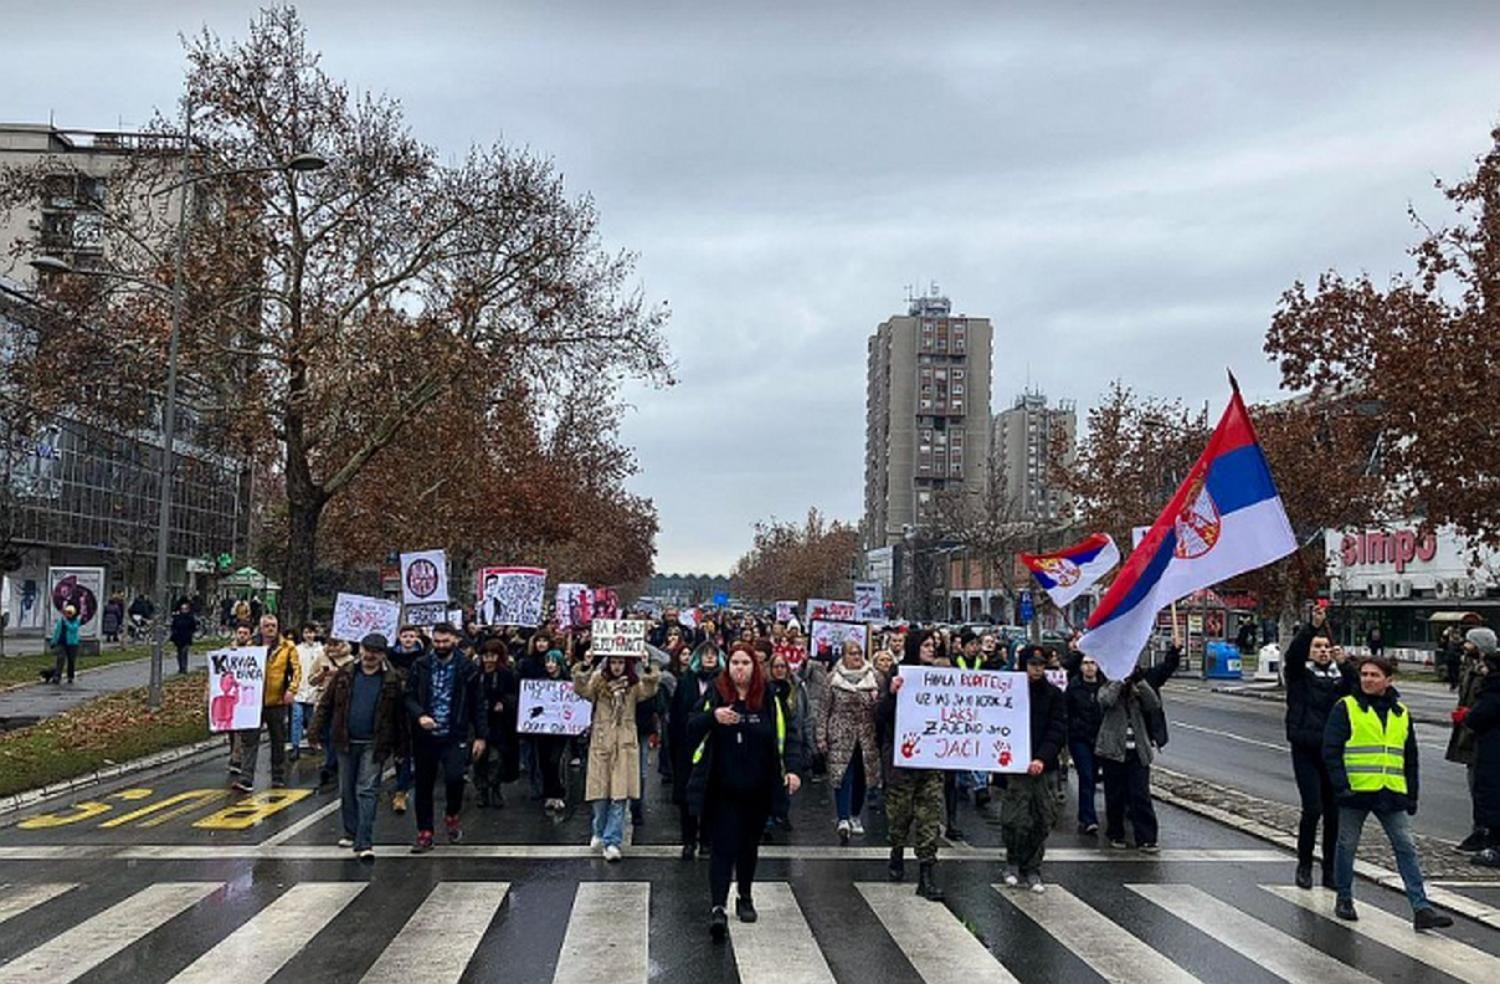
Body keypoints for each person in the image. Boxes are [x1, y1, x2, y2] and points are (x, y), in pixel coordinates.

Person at [1323, 654, 1453, 929]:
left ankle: (1421, 908)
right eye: (1365, 674)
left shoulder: (1401, 713)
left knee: (1406, 846)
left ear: (1388, 680)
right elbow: (1331, 751)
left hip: (1390, 792)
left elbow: (1410, 757)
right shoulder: (1346, 707)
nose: (1368, 679)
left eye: (1374, 675)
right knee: (1347, 845)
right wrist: (1341, 786)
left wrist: (1412, 794)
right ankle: (1344, 897)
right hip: (1355, 791)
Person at [686, 642, 803, 941]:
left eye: (746, 663)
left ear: (755, 667)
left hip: (758, 787)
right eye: (735, 662)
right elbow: (690, 726)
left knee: (748, 847)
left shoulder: (768, 698)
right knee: (722, 848)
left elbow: (788, 736)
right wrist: (714, 718)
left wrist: (792, 770)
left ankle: (745, 895)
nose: (740, 668)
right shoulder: (716, 693)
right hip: (721, 787)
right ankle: (717, 906)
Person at [313, 632, 405, 860]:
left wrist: (402, 748)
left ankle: (364, 840)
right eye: (367, 650)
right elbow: (327, 702)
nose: (370, 656)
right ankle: (351, 831)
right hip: (345, 739)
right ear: (360, 649)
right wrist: (315, 730)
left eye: (375, 652)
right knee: (347, 789)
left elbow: (399, 717)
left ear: (383, 655)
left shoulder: (392, 679)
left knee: (367, 789)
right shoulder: (346, 674)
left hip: (374, 743)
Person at [1284, 604, 1357, 888]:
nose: (1323, 651)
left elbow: (1357, 693)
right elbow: (1294, 655)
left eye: (1327, 646)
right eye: (1318, 646)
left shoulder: (1340, 679)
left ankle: (1330, 870)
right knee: (1312, 808)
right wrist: (1311, 627)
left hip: (1332, 752)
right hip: (1305, 748)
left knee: (1334, 813)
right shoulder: (1300, 675)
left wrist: (1347, 665)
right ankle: (1304, 864)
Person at [404, 623, 487, 852]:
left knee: (454, 778)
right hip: (426, 735)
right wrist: (420, 715)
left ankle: (452, 813)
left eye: (445, 641)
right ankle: (425, 831)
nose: (441, 646)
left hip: (455, 732)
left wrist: (481, 735)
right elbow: (409, 696)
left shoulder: (467, 668)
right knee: (423, 784)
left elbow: (477, 703)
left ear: (455, 640)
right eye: (437, 642)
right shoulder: (420, 665)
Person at [574, 648, 659, 860]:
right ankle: (599, 829)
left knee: (619, 796)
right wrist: (586, 664)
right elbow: (580, 689)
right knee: (600, 795)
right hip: (602, 742)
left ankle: (613, 841)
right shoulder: (598, 682)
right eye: (613, 662)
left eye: (621, 662)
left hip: (624, 742)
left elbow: (650, 688)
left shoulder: (633, 686)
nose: (617, 666)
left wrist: (647, 665)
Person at [881, 629, 947, 900]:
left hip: (931, 760)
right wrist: (893, 694)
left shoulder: (943, 677)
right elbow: (880, 716)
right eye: (927, 645)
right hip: (904, 760)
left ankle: (926, 875)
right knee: (900, 815)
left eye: (935, 645)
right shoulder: (898, 673)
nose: (932, 649)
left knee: (929, 816)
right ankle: (896, 851)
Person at [1000, 648, 1067, 892]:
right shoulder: (1009, 692)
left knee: (1043, 818)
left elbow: (1058, 729)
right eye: (1033, 663)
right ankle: (1013, 861)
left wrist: (1042, 757)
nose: (1038, 669)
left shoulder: (1054, 695)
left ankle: (1033, 866)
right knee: (1015, 819)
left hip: (1043, 766)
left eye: (1042, 664)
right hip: (1017, 765)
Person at [818, 638, 882, 844]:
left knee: (862, 777)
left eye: (859, 653)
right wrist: (821, 736)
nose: (856, 657)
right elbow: (824, 709)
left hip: (865, 735)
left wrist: (875, 700)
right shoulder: (833, 679)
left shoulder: (873, 678)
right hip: (840, 734)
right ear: (843, 655)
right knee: (842, 775)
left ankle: (855, 815)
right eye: (852, 653)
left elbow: (881, 708)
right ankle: (843, 818)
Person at [1097, 662, 1161, 851]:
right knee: (1115, 795)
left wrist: (1139, 681)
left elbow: (1153, 704)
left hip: (1137, 751)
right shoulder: (1108, 685)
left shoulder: (1138, 690)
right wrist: (1118, 680)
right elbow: (1105, 701)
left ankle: (1147, 837)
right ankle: (1116, 833)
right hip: (1113, 751)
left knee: (1140, 795)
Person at [233, 614, 301, 793]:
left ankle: (278, 776)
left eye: (273, 625)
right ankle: (246, 778)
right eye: (267, 626)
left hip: (277, 700)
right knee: (250, 739)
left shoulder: (287, 647)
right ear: (260, 628)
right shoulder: (251, 646)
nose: (271, 629)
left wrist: (291, 690)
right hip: (253, 701)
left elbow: (296, 671)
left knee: (277, 739)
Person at [670, 642, 722, 857]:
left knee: (711, 792)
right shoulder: (686, 682)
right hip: (687, 745)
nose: (709, 658)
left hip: (712, 745)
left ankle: (707, 839)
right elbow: (675, 717)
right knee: (686, 795)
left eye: (713, 655)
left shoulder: (722, 683)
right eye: (705, 655)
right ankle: (688, 839)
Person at [1449, 628, 1496, 853]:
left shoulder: (1489, 671)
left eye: (1469, 642)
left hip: (1481, 732)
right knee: (1475, 782)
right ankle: (1480, 830)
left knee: (1483, 786)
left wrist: (1469, 714)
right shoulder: (1469, 667)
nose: (1465, 646)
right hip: (1469, 731)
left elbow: (1487, 702)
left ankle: (1484, 832)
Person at [1461, 644, 1500, 866]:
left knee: (1490, 795)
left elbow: (1478, 717)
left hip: (1491, 752)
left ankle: (1494, 844)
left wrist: (1468, 716)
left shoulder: (1493, 690)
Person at [767, 650, 811, 833]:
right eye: (775, 666)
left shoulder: (798, 687)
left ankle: (782, 814)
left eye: (782, 666)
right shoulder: (766, 689)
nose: (779, 670)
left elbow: (806, 714)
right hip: (774, 739)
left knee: (789, 777)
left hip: (793, 735)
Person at [385, 625, 427, 814]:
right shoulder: (389, 657)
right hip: (394, 707)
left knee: (411, 747)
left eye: (412, 636)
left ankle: (402, 788)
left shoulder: (424, 657)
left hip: (416, 707)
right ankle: (402, 782)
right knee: (399, 748)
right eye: (405, 636)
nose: (408, 639)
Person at [474, 639, 520, 808]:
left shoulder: (507, 674)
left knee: (496, 758)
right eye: (486, 656)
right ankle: (482, 790)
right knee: (479, 758)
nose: (488, 660)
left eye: (492, 656)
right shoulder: (475, 674)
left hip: (499, 724)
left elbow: (515, 696)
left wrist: (504, 703)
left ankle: (495, 787)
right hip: (478, 722)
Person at [1066, 654, 1106, 834]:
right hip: (1080, 738)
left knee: (1097, 777)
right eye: (1085, 663)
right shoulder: (1074, 687)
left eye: (1093, 663)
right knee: (1086, 776)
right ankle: (1088, 818)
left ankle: (1088, 815)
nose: (1089, 667)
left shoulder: (1105, 687)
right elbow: (1066, 711)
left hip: (1100, 739)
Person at [309, 638, 355, 787]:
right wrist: (322, 674)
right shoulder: (321, 658)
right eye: (330, 644)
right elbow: (311, 680)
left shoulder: (351, 660)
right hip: (324, 701)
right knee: (327, 735)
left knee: (337, 734)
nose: (333, 647)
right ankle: (332, 763)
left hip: (343, 703)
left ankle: (331, 766)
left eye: (337, 644)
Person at [289, 622, 325, 761]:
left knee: (312, 719)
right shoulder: (297, 649)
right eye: (306, 632)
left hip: (315, 689)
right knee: (297, 718)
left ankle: (312, 742)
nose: (309, 635)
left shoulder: (320, 650)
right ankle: (295, 746)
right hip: (299, 688)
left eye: (311, 632)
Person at [47, 605, 82, 684]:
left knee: (71, 661)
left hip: (72, 644)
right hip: (62, 643)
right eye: (66, 613)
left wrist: (66, 622)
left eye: (69, 613)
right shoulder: (61, 621)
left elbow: (73, 629)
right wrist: (53, 642)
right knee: (60, 659)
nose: (68, 615)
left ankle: (70, 676)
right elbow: (57, 632)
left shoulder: (76, 621)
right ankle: (57, 676)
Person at [170, 601, 197, 675]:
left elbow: (194, 627)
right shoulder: (177, 617)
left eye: (185, 609)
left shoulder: (190, 617)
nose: (184, 610)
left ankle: (184, 668)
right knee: (179, 653)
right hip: (178, 638)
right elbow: (173, 626)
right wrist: (174, 632)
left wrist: (190, 633)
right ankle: (181, 667)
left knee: (184, 652)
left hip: (186, 637)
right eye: (183, 609)